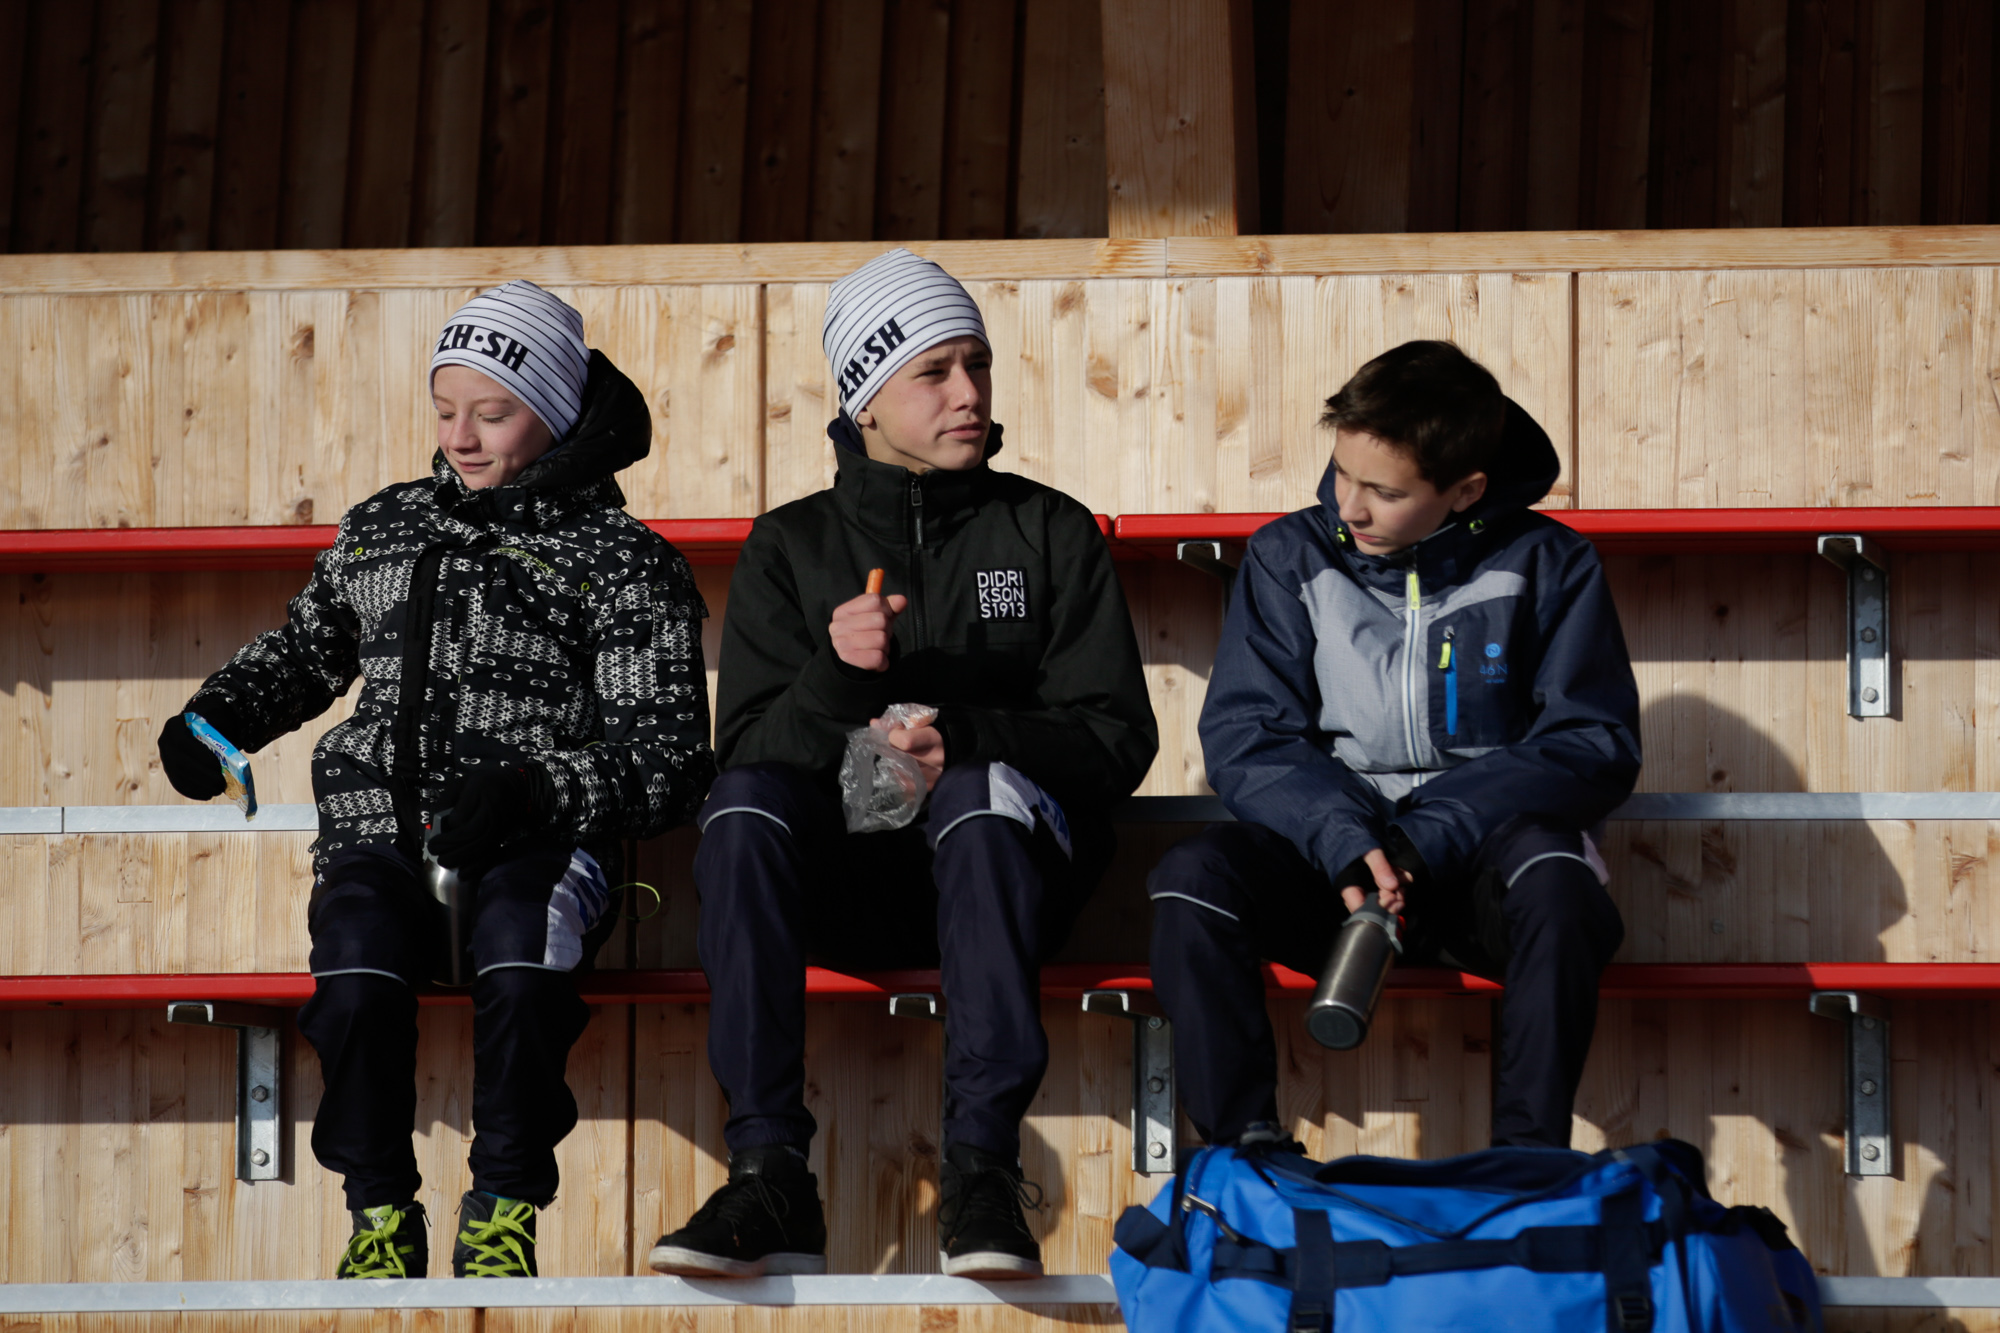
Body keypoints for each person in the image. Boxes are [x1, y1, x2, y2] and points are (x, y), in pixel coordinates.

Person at [156, 282, 716, 1279]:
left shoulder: (621, 562)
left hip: (538, 845)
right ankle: (378, 1211)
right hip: (378, 828)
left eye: (491, 413)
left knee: (523, 960)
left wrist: (533, 791)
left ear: (556, 411)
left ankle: (502, 1207)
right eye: (445, 408)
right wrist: (216, 723)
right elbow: (307, 650)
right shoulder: (387, 527)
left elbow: (667, 758)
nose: (460, 436)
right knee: (354, 974)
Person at [648, 249, 1157, 1281]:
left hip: (1007, 878)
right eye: (933, 372)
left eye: (977, 364)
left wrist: (966, 735)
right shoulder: (791, 544)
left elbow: (1116, 737)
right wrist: (837, 679)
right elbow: (746, 753)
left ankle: (982, 1171)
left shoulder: (1047, 528)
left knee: (976, 792)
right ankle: (768, 1172)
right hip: (842, 883)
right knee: (742, 807)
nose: (968, 392)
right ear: (865, 400)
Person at [1147, 340, 1640, 1154]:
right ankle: (1246, 1156)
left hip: (1479, 868)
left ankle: (1526, 1161)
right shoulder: (1287, 554)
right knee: (1192, 878)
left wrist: (1427, 837)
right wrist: (1346, 839)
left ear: (1466, 490)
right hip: (1336, 869)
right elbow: (1248, 734)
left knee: (1559, 880)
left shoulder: (1551, 562)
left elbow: (1591, 741)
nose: (1351, 507)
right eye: (1342, 473)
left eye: (1385, 490)